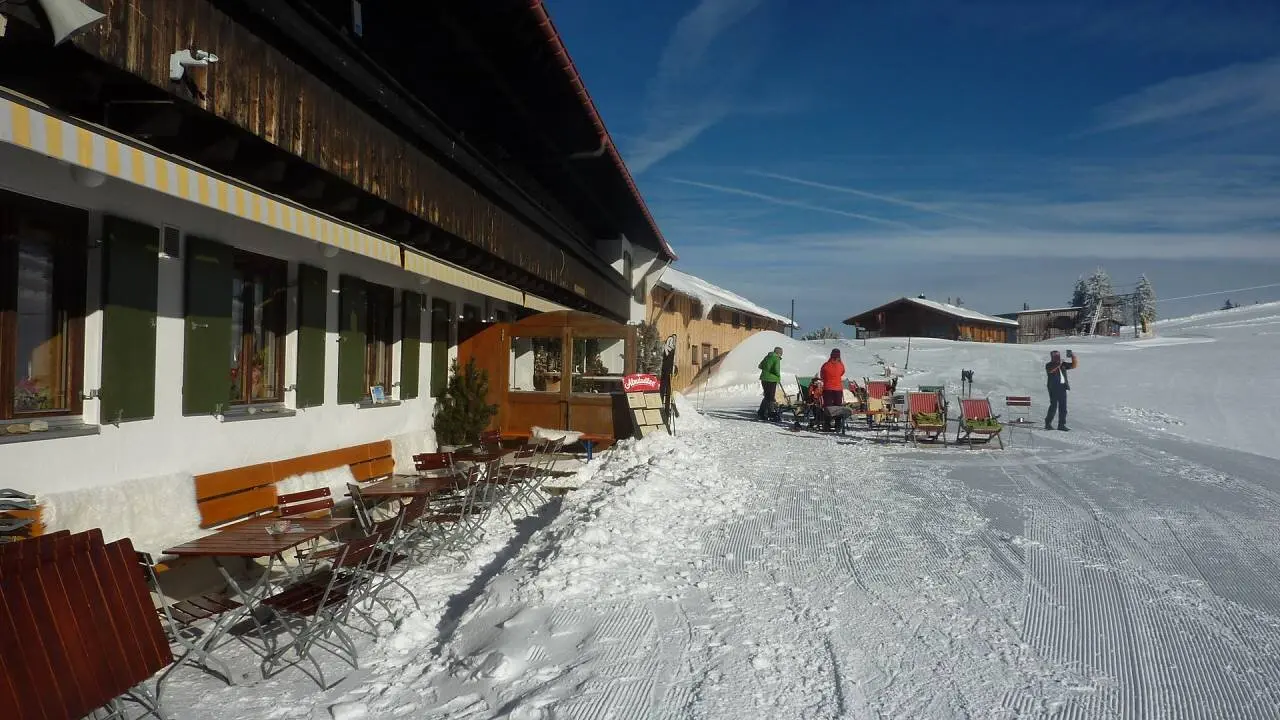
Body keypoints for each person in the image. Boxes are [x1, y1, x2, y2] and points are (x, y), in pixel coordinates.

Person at [1045, 349, 1079, 431]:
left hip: (1062, 387)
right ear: (1052, 356)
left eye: (1058, 355)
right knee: (1053, 406)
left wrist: (1073, 356)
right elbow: (1051, 370)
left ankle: (1061, 425)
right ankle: (1048, 423)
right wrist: (1059, 364)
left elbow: (1074, 365)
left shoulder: (1063, 364)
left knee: (1063, 407)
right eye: (1055, 356)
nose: (1057, 357)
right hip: (1053, 388)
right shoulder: (1049, 365)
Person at [819, 349, 845, 430]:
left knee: (828, 407)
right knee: (838, 407)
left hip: (827, 388)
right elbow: (842, 372)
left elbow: (822, 375)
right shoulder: (840, 365)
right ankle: (838, 425)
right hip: (838, 389)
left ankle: (827, 425)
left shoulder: (826, 365)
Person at [757, 346, 783, 421]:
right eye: (781, 353)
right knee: (771, 397)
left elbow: (760, 366)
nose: (781, 355)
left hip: (764, 379)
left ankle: (761, 412)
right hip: (772, 380)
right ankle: (771, 413)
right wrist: (778, 376)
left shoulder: (767, 357)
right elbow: (776, 370)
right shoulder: (776, 359)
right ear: (779, 353)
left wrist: (767, 369)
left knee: (767, 396)